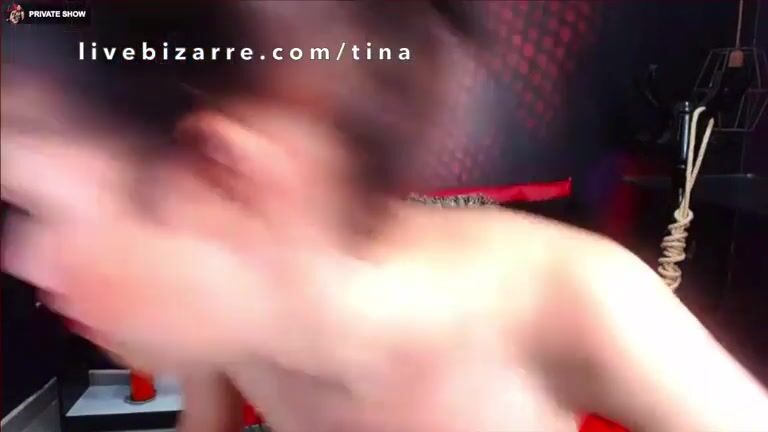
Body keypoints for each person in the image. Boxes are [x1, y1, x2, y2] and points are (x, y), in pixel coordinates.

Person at [3, 3, 768, 432]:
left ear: (226, 178)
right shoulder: (227, 316)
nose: (20, 257)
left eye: (42, 206)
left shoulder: (577, 301)